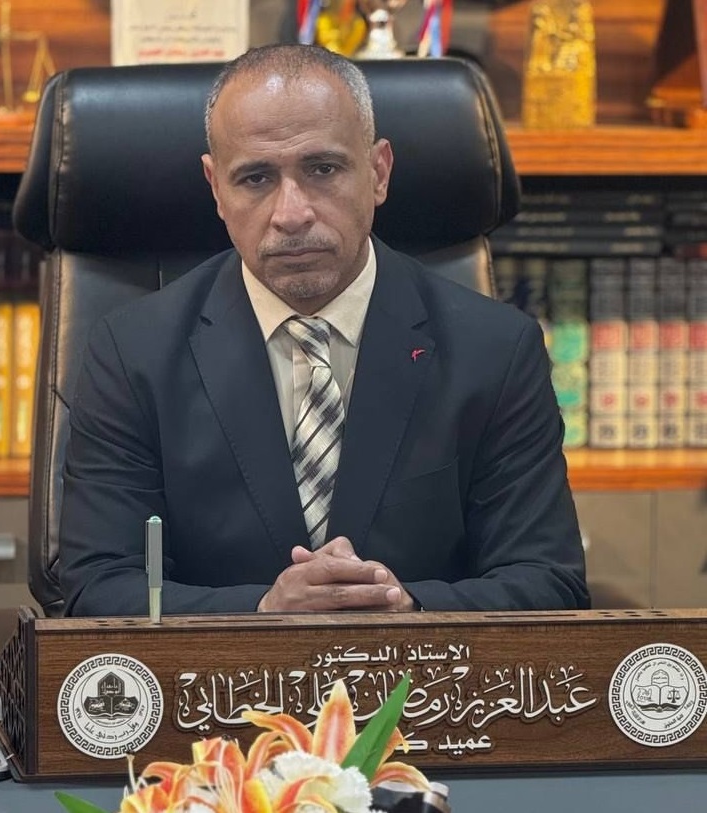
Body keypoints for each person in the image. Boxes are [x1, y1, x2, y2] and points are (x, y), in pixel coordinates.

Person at [59, 44, 589, 616]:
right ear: (216, 188)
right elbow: (97, 589)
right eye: (255, 178)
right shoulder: (132, 354)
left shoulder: (496, 350)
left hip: (423, 670)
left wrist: (405, 607)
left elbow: (548, 583)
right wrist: (264, 613)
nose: (292, 214)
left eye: (323, 170)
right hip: (223, 675)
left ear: (379, 171)